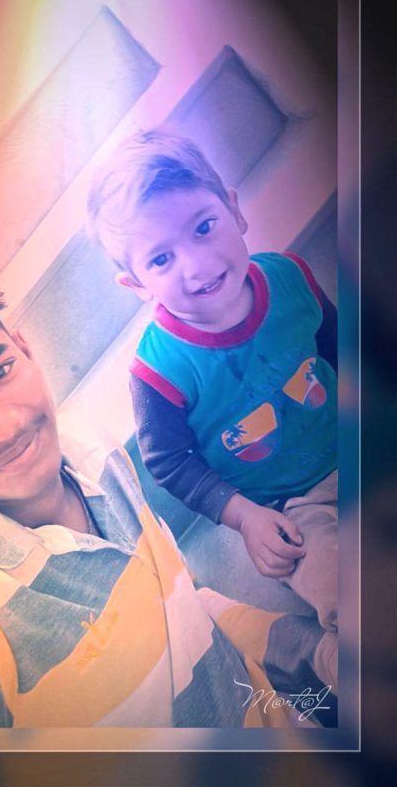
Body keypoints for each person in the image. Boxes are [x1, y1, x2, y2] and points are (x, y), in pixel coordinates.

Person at [0, 263, 336, 728]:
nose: (1, 429)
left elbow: (182, 610)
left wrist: (316, 655)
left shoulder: (93, 453)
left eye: (0, 372)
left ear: (25, 350)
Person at [87, 125, 338, 635]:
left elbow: (334, 340)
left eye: (203, 227)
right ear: (136, 285)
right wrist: (244, 516)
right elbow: (169, 461)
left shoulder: (289, 276)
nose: (197, 265)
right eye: (161, 259)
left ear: (234, 209)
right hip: (292, 508)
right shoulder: (159, 373)